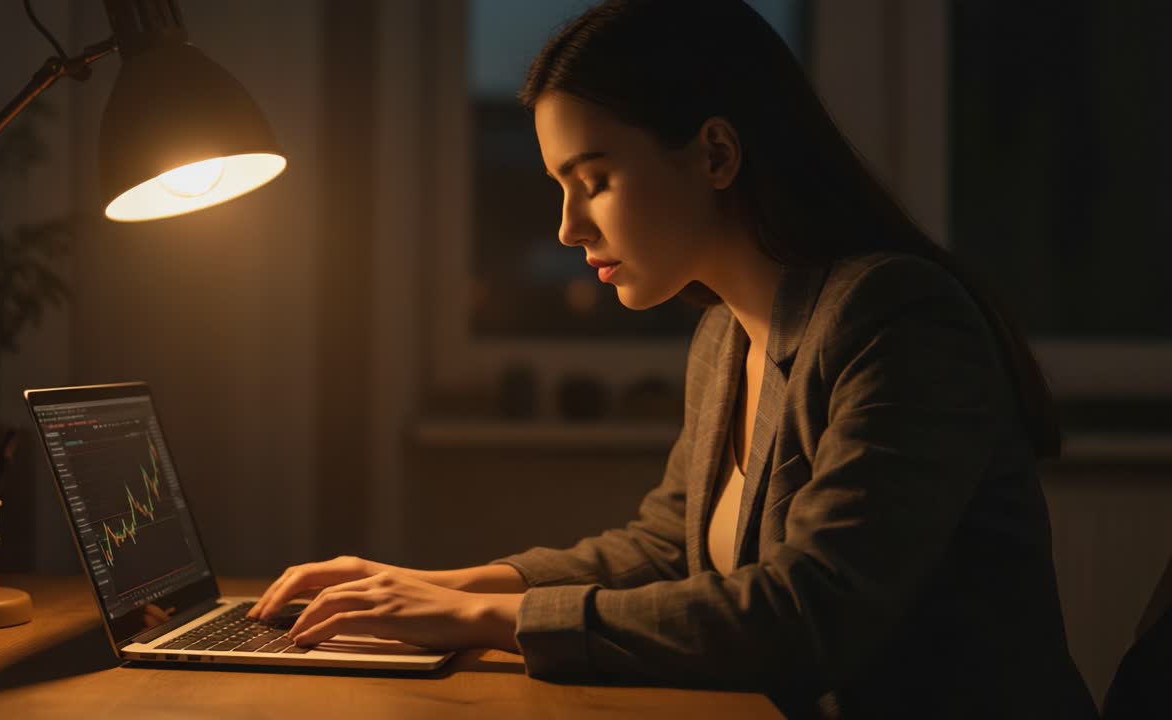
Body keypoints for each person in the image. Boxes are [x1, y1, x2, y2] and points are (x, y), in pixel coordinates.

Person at [248, 1, 1097, 716]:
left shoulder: (897, 318)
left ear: (718, 154)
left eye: (595, 179)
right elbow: (664, 550)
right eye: (559, 186)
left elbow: (809, 615)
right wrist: (432, 586)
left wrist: (484, 619)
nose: (567, 228)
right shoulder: (726, 334)